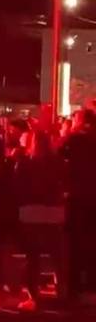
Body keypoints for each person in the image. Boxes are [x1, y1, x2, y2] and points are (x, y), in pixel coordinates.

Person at [14, 125, 65, 310]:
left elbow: (17, 188)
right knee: (57, 255)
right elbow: (63, 182)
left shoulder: (24, 162)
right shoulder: (57, 161)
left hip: (30, 212)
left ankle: (33, 296)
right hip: (53, 211)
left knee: (32, 257)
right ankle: (61, 291)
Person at [60, 108, 96, 303]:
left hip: (77, 197)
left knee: (75, 244)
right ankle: (91, 284)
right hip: (92, 196)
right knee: (92, 242)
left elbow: (60, 160)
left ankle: (74, 288)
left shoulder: (74, 140)